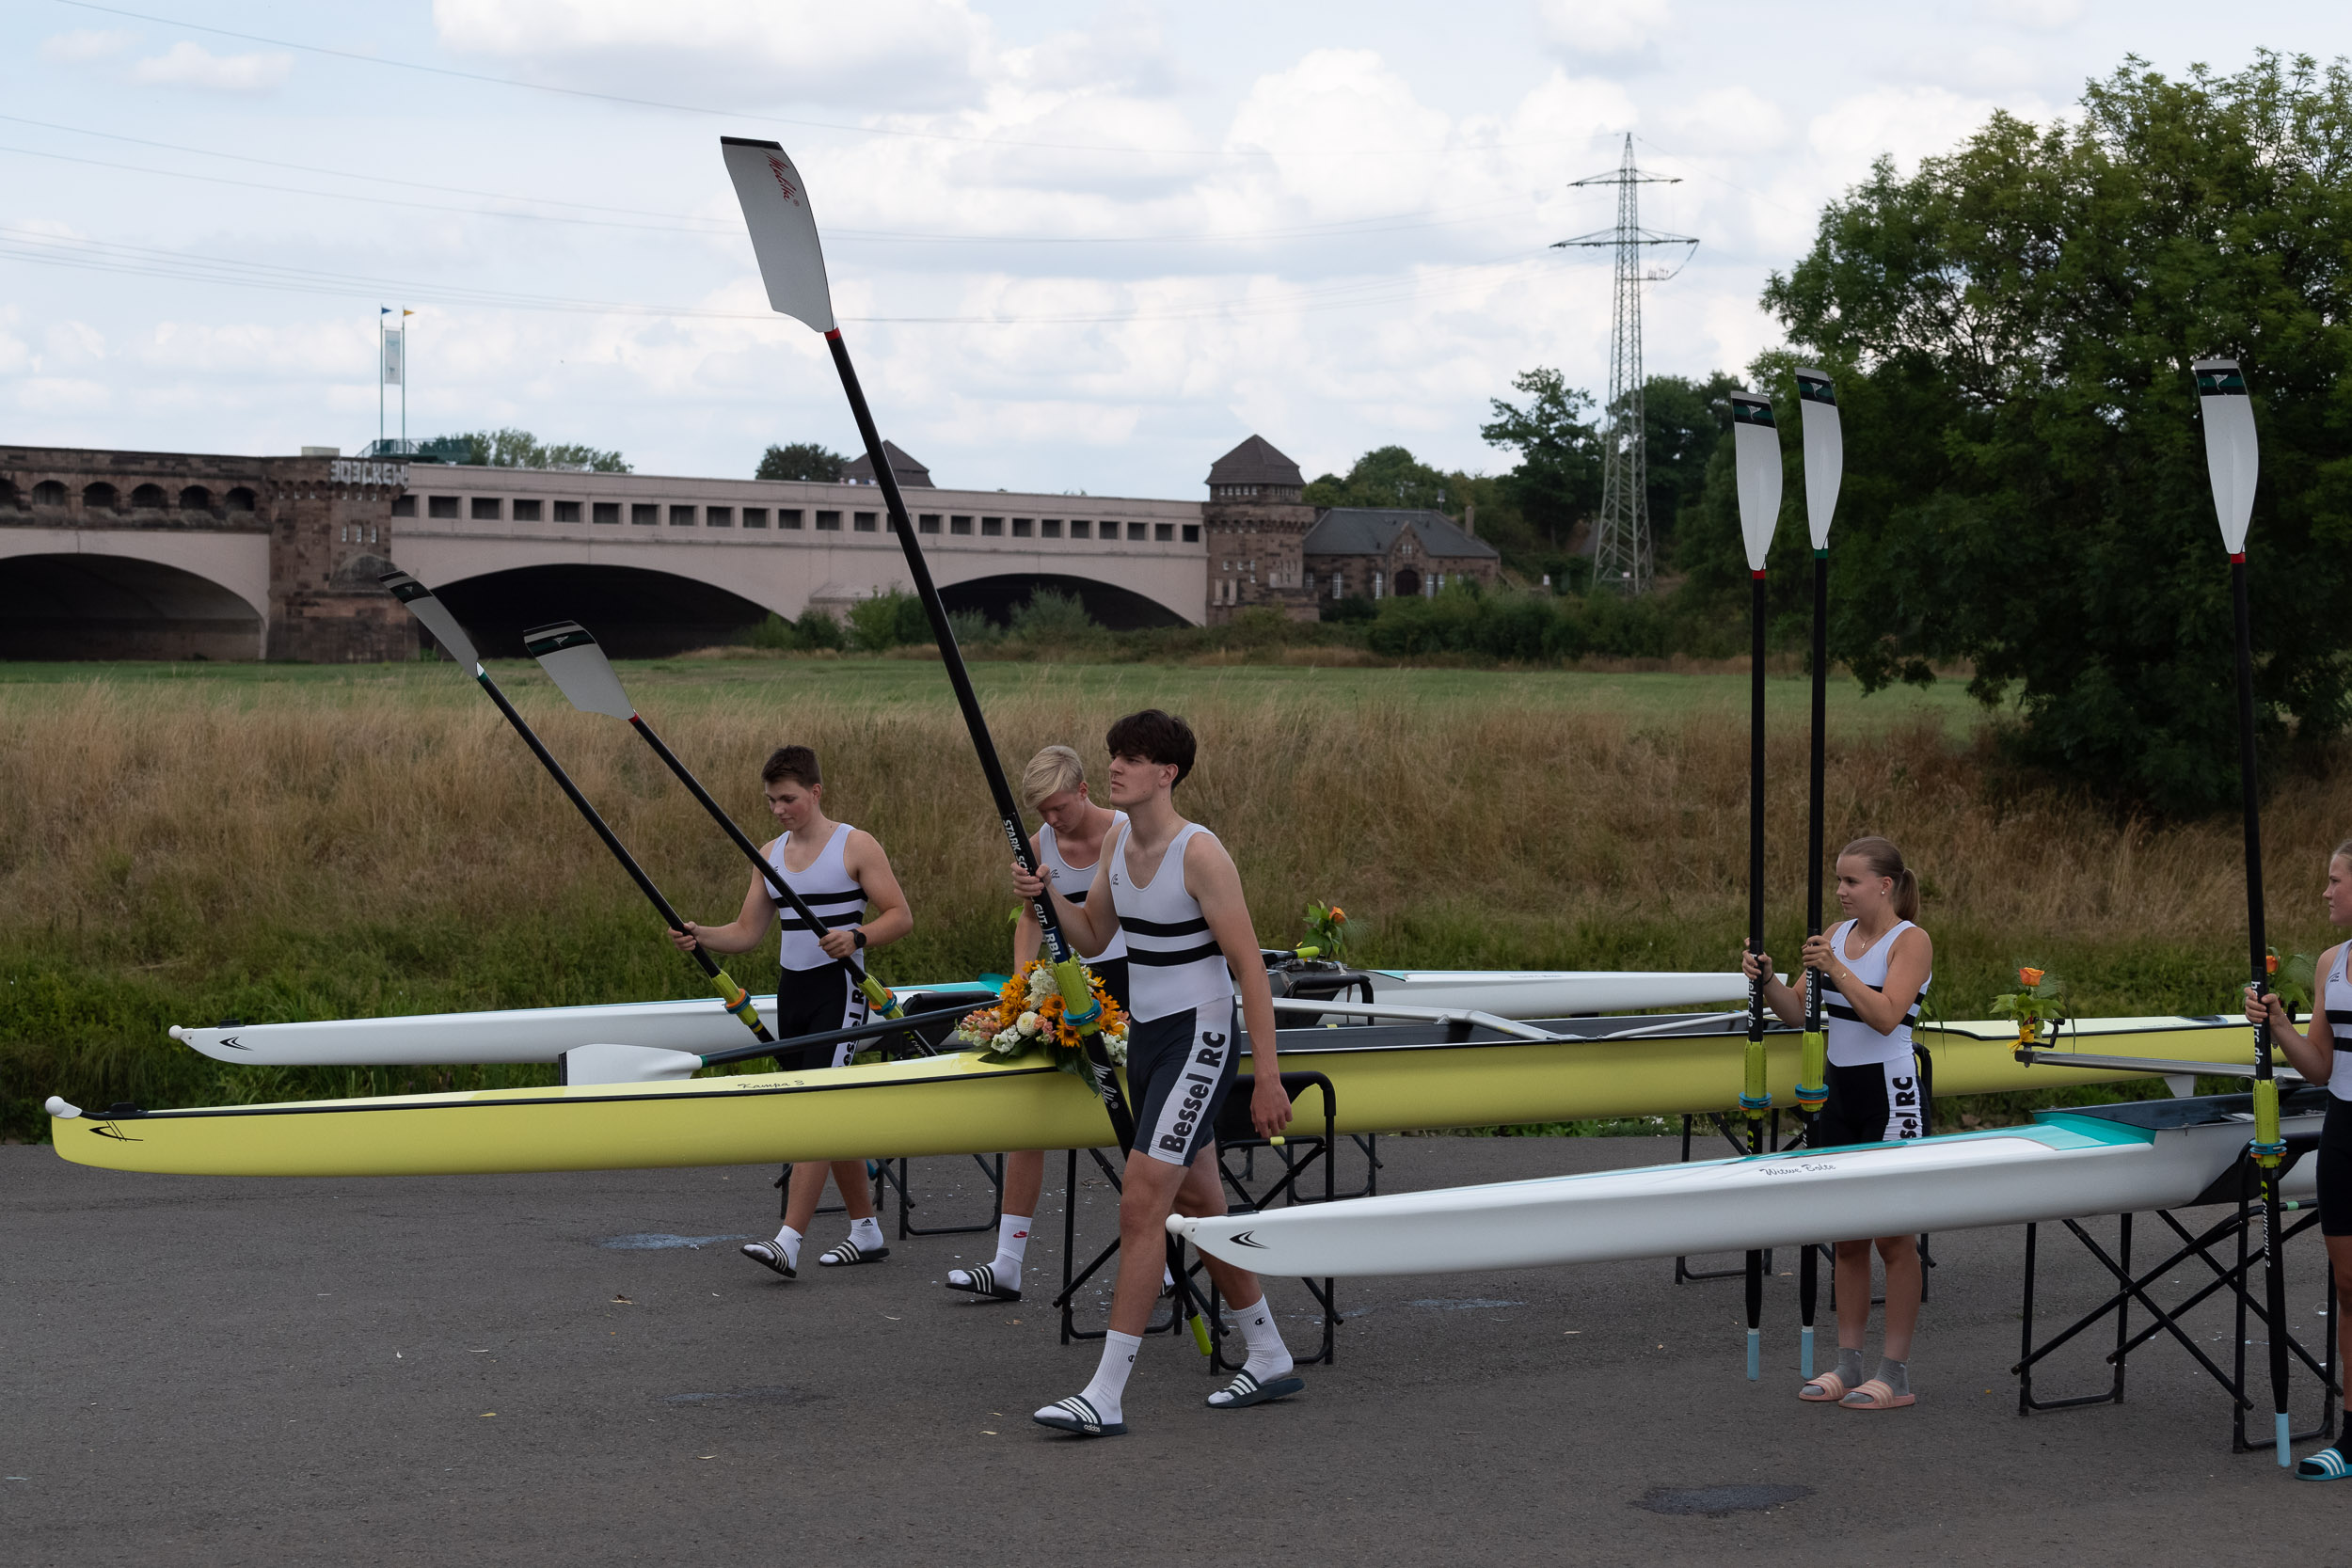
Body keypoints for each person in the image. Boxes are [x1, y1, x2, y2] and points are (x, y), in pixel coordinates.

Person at [1011, 708, 1297, 1436]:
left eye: (1131, 757)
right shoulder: (1114, 845)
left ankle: (1105, 1394)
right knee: (1199, 1205)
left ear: (1165, 773)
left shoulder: (1199, 853)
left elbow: (1250, 970)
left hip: (1200, 1038)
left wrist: (1266, 1077)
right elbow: (1092, 933)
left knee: (1141, 1203)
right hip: (1146, 1038)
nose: (1115, 766)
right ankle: (1267, 1350)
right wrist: (1045, 895)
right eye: (1114, 754)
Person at [669, 744, 912, 1280]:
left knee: (815, 1111)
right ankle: (865, 1231)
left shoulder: (856, 845)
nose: (779, 810)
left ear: (815, 792)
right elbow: (747, 932)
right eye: (772, 801)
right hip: (793, 993)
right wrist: (698, 935)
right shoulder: (769, 854)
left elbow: (901, 915)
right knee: (829, 1115)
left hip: (844, 991)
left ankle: (789, 1240)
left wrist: (857, 935)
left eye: (789, 799)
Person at [1742, 835, 1932, 1411]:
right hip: (1837, 1090)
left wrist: (1836, 969)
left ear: (1885, 885)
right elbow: (1800, 1012)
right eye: (1839, 881)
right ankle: (1849, 1364)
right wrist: (1767, 978)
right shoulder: (1839, 934)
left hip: (1890, 1090)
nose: (1842, 892)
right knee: (1846, 1235)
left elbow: (1886, 1016)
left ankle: (1894, 1372)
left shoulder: (1911, 941)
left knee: (1894, 1237)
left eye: (1852, 882)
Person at [946, 745, 1129, 1306]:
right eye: (1041, 812)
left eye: (1059, 808)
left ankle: (1164, 1260)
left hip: (1128, 980)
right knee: (1031, 1119)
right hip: (1060, 987)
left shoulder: (1125, 831)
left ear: (1083, 791)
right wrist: (1021, 988)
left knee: (1134, 1122)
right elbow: (1031, 919)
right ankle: (1007, 1264)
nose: (1051, 821)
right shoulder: (1036, 845)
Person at [2245, 838, 2352, 1481]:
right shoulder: (2333, 963)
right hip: (2344, 1128)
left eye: (2336, 879)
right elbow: (2320, 1065)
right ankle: (2351, 1433)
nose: (2326, 891)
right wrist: (2279, 1025)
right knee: (2347, 1286)